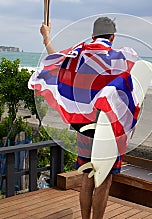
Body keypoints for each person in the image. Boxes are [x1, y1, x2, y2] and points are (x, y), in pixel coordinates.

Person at [29, 17, 139, 218]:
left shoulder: (78, 56)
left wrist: (46, 36)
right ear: (112, 36)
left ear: (92, 35)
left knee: (88, 175)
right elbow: (132, 76)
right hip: (107, 127)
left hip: (83, 126)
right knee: (104, 179)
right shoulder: (117, 58)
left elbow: (56, 61)